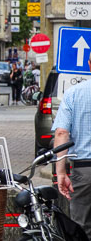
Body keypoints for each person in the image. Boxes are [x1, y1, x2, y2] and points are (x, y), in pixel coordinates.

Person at [52, 54, 91, 238]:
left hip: (84, 171)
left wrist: (61, 172)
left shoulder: (74, 94)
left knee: (81, 228)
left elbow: (61, 133)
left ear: (89, 64)